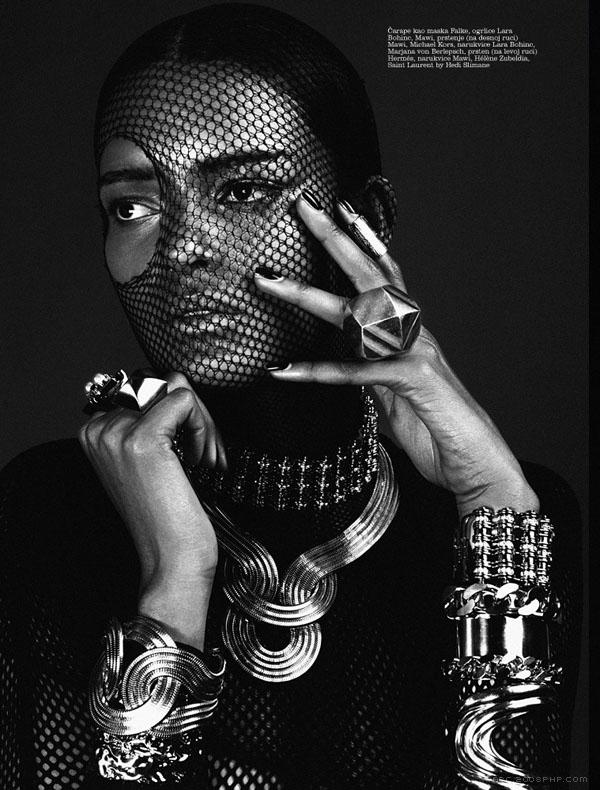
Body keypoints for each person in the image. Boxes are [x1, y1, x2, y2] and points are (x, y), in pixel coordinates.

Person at [0, 5, 581, 788]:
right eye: (132, 206)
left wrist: (493, 504)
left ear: (367, 223)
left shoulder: (509, 520)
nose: (182, 247)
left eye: (242, 191)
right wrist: (174, 583)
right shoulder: (47, 517)